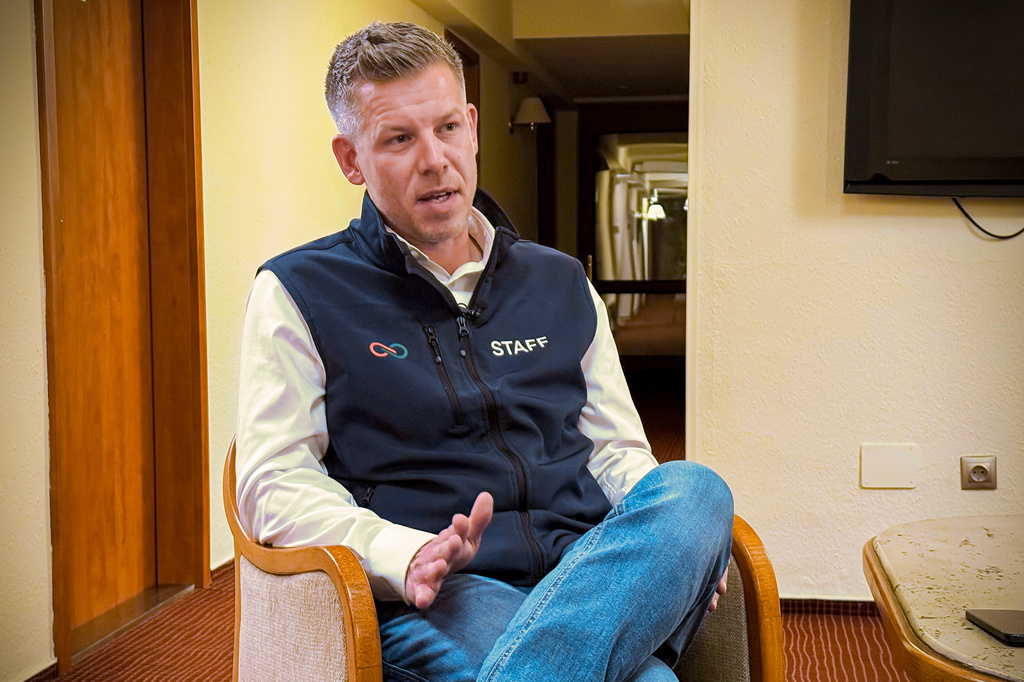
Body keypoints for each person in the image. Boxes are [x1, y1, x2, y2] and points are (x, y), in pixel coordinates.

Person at [235, 21, 733, 682]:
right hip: (444, 592)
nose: (434, 159)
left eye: (446, 128)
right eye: (399, 139)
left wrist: (677, 549)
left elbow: (615, 449)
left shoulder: (560, 281)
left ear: (472, 128)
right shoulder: (299, 289)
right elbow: (272, 480)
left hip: (581, 566)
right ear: (351, 159)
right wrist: (402, 553)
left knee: (696, 492)